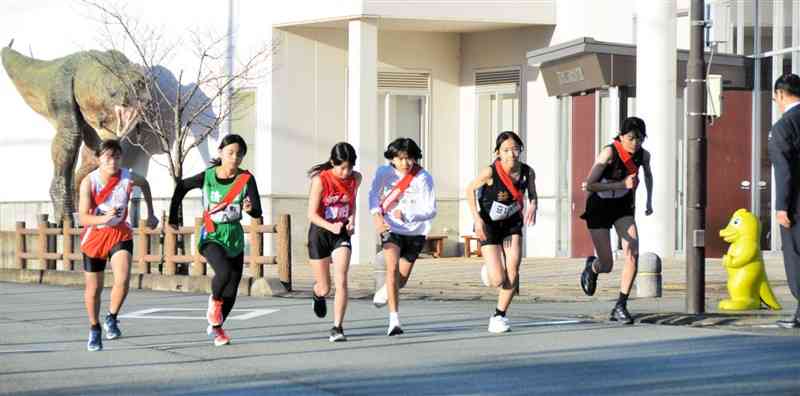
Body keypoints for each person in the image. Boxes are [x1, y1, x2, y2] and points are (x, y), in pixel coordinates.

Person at [168, 134, 261, 346]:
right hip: (211, 234)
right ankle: (214, 302)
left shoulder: (246, 179)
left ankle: (218, 328)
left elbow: (257, 212)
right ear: (220, 153)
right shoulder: (208, 176)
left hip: (234, 236)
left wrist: (250, 209)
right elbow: (181, 186)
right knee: (224, 273)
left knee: (233, 287)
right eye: (230, 153)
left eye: (239, 154)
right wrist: (174, 217)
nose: (235, 158)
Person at [78, 139, 158, 351]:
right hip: (95, 236)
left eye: (116, 157)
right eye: (108, 157)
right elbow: (84, 218)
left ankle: (111, 317)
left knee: (122, 279)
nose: (113, 161)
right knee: (94, 289)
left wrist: (151, 213)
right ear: (99, 159)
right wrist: (103, 219)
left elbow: (145, 184)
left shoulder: (127, 176)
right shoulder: (89, 182)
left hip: (120, 233)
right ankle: (94, 328)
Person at [579, 117, 653, 325]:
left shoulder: (643, 155)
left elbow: (648, 176)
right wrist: (621, 184)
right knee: (607, 264)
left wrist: (649, 200)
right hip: (599, 207)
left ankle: (621, 304)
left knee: (632, 250)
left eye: (640, 139)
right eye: (631, 138)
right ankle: (592, 268)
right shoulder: (609, 153)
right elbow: (590, 185)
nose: (635, 143)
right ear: (622, 136)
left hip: (622, 208)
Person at [466, 131, 537, 333]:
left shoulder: (527, 172)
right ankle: (489, 271)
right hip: (489, 224)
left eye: (515, 149)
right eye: (506, 150)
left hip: (512, 223)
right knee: (498, 279)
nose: (511, 154)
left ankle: (499, 315)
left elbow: (532, 193)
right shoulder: (490, 172)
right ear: (498, 152)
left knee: (513, 268)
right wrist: (477, 219)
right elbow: (469, 189)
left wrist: (534, 205)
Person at [370, 137, 436, 336]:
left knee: (402, 279)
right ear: (392, 158)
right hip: (392, 229)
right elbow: (373, 194)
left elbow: (431, 210)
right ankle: (394, 321)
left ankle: (386, 291)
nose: (405, 163)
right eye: (400, 159)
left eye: (409, 159)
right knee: (392, 270)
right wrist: (377, 217)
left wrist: (410, 215)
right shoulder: (384, 172)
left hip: (415, 231)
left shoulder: (424, 177)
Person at [307, 142, 362, 342]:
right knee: (325, 287)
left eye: (350, 167)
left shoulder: (356, 178)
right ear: (333, 163)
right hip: (320, 233)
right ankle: (317, 294)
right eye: (342, 167)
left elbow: (353, 201)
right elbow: (311, 214)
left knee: (342, 279)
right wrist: (331, 227)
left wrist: (352, 221)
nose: (346, 172)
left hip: (341, 234)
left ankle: (337, 327)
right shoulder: (320, 180)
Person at [768, 73, 800, 328]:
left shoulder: (783, 126)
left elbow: (784, 169)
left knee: (795, 256)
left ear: (780, 94)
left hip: (796, 205)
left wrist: (781, 207)